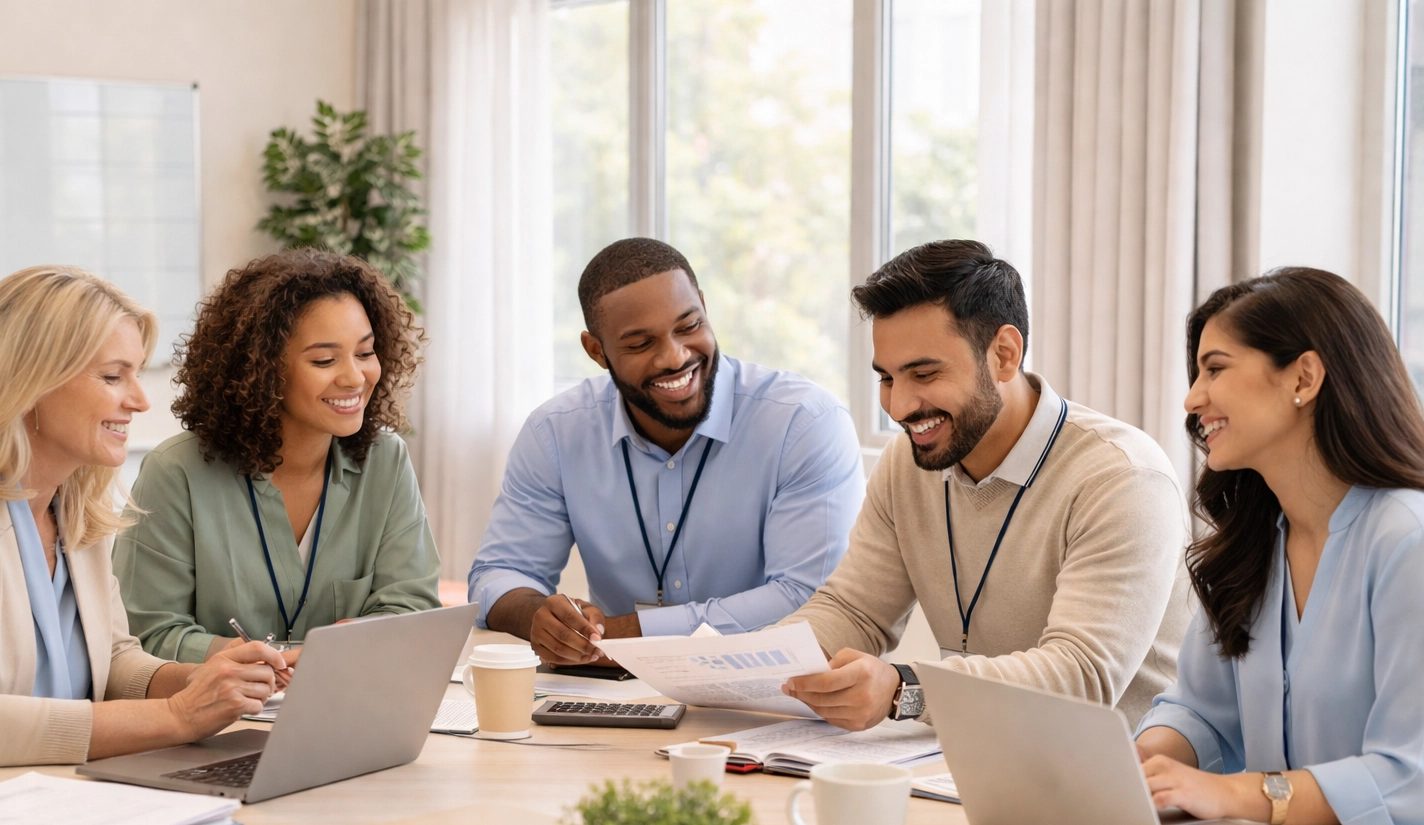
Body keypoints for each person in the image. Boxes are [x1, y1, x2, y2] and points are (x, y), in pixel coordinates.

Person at [0, 266, 289, 771]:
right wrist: (179, 716)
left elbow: (114, 661)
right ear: (29, 381)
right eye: (111, 376)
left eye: (137, 375)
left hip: (61, 798)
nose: (140, 400)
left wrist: (203, 680)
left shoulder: (72, 505)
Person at [781, 240, 1189, 730]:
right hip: (966, 758)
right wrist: (760, 663)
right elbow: (854, 610)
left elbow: (1081, 676)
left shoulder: (1121, 478)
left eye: (925, 373)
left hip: (1117, 778)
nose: (900, 406)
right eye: (887, 378)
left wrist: (905, 688)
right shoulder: (908, 463)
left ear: (1003, 355)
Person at [468, 237, 864, 666]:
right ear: (596, 351)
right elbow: (496, 574)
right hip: (617, 696)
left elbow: (808, 599)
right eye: (640, 344)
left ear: (705, 308)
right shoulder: (556, 432)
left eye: (688, 326)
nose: (675, 358)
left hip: (768, 696)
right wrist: (539, 618)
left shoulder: (803, 423)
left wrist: (625, 636)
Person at [1135, 268, 1424, 825]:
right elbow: (1200, 710)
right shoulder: (1255, 543)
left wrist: (1236, 793)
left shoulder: (1407, 542)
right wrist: (1140, 769)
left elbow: (1410, 778)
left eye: (1215, 368)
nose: (1193, 400)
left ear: (1304, 377)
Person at [114, 249, 440, 662]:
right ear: (263, 369)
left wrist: (350, 641)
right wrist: (250, 657)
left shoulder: (386, 461)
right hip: (219, 719)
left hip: (348, 707)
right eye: (324, 359)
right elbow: (147, 634)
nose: (355, 377)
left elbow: (412, 608)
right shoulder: (177, 472)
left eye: (365, 352)